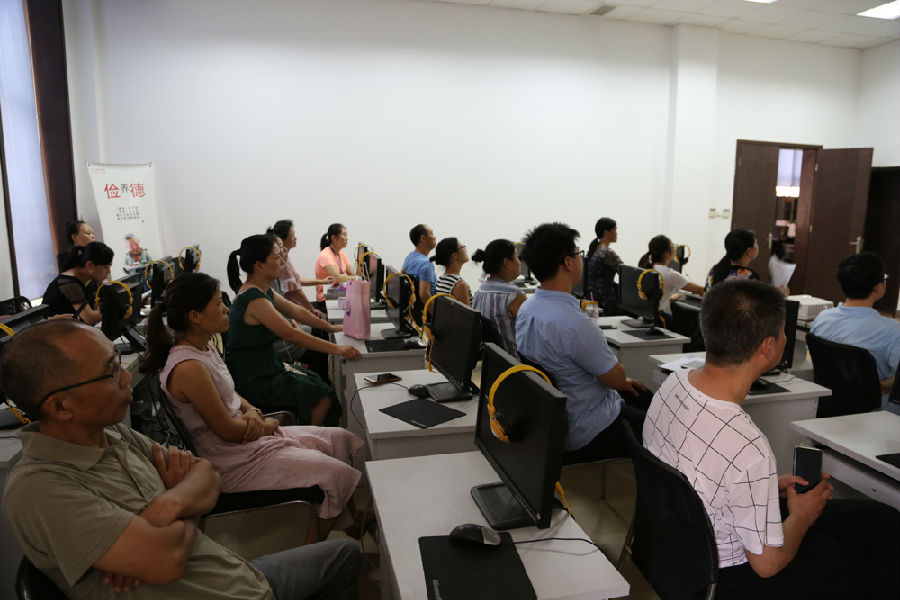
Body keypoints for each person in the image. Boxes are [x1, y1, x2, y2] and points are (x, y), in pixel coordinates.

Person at [0, 320, 361, 599]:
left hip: (233, 576)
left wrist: (166, 506)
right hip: (223, 591)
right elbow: (167, 560)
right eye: (110, 371)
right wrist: (184, 500)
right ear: (61, 406)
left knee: (345, 551)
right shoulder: (41, 488)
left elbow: (206, 474)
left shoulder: (113, 435)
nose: (126, 376)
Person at [644, 279, 899, 599]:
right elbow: (768, 565)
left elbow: (698, 470)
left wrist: (765, 486)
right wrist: (801, 517)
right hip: (726, 575)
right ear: (767, 347)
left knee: (882, 519)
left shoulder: (674, 383)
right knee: (864, 564)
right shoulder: (747, 445)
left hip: (678, 543)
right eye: (782, 332)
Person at [141, 272, 366, 542]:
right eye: (218, 304)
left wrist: (250, 411)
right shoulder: (188, 368)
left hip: (248, 437)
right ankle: (315, 555)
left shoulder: (204, 348)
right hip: (231, 461)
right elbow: (229, 431)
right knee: (335, 473)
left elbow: (231, 393)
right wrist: (268, 425)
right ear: (195, 316)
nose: (226, 310)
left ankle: (351, 520)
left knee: (339, 439)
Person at [515, 222, 650, 464]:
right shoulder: (576, 324)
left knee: (640, 395)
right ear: (568, 262)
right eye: (578, 253)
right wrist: (618, 376)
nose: (580, 259)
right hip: (587, 426)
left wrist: (616, 377)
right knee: (659, 428)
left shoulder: (527, 308)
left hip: (554, 417)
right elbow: (616, 379)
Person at [226, 234, 361, 426]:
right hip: (256, 378)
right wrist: (337, 349)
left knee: (316, 381)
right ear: (259, 265)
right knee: (323, 397)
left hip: (267, 368)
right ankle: (309, 439)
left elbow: (295, 310)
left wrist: (329, 327)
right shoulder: (254, 299)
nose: (282, 261)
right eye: (276, 257)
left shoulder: (262, 291)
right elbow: (290, 334)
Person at [810, 252, 899, 406]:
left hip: (828, 403)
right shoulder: (892, 330)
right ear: (878, 287)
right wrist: (879, 387)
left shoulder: (823, 318)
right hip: (874, 408)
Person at [471, 239, 528, 356]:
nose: (519, 262)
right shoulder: (514, 295)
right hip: (516, 362)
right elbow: (533, 335)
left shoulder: (480, 291)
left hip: (496, 361)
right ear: (507, 263)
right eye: (517, 258)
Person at [269, 219, 331, 318]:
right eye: (292, 235)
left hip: (297, 307)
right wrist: (312, 311)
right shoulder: (282, 263)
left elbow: (297, 281)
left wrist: (322, 281)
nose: (295, 238)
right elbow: (296, 291)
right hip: (293, 311)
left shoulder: (286, 258)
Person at [42, 241, 115, 325]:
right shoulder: (69, 283)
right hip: (53, 330)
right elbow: (90, 318)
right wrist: (115, 310)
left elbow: (96, 309)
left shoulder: (90, 280)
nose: (108, 271)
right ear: (90, 265)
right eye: (106, 267)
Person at [637, 234, 705, 322]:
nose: (675, 248)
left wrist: (669, 297)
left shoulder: (648, 267)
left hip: (648, 317)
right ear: (666, 253)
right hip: (661, 320)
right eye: (673, 246)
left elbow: (653, 296)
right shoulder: (670, 274)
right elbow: (700, 290)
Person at [584, 217, 623, 316]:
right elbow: (625, 273)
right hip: (604, 302)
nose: (616, 233)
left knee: (593, 322)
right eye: (615, 230)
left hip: (591, 299)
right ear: (606, 232)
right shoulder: (607, 253)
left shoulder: (594, 249)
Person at [314, 223, 355, 308]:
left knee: (356, 304)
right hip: (325, 299)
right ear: (334, 238)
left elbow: (352, 274)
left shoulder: (342, 254)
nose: (347, 238)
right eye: (344, 235)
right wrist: (354, 278)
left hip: (337, 294)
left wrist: (353, 277)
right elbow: (337, 278)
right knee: (354, 307)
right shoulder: (325, 255)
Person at [402, 224, 437, 302]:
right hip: (426, 308)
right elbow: (424, 295)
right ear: (423, 238)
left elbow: (402, 275)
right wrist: (434, 310)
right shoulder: (426, 264)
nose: (435, 237)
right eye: (432, 233)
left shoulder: (410, 257)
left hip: (413, 306)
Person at [432, 237, 472, 305]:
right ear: (454, 255)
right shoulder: (460, 285)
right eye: (462, 247)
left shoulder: (441, 279)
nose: (465, 249)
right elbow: (467, 312)